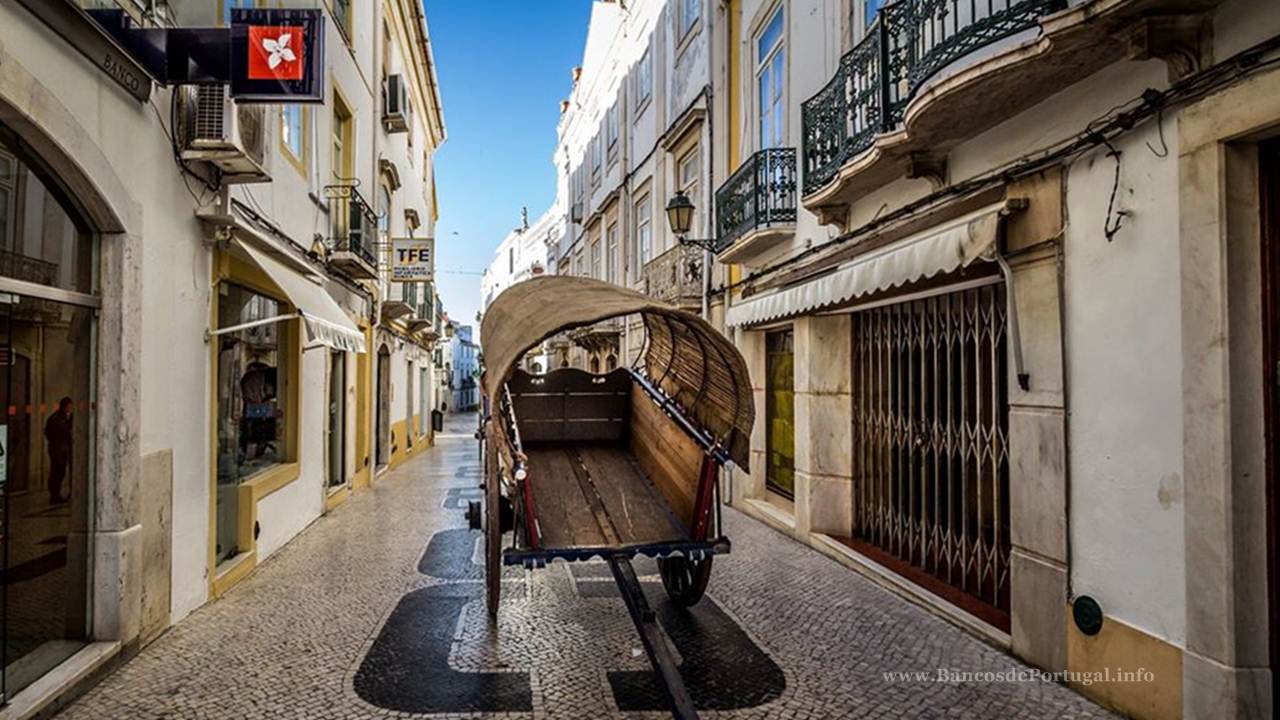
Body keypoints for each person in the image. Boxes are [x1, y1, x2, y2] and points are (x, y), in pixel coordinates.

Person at [44, 397, 73, 504]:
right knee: (56, 472)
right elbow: (51, 433)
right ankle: (54, 495)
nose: (71, 408)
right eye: (69, 406)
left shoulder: (65, 418)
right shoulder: (56, 419)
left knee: (60, 473)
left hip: (62, 449)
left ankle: (56, 495)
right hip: (58, 450)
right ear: (65, 406)